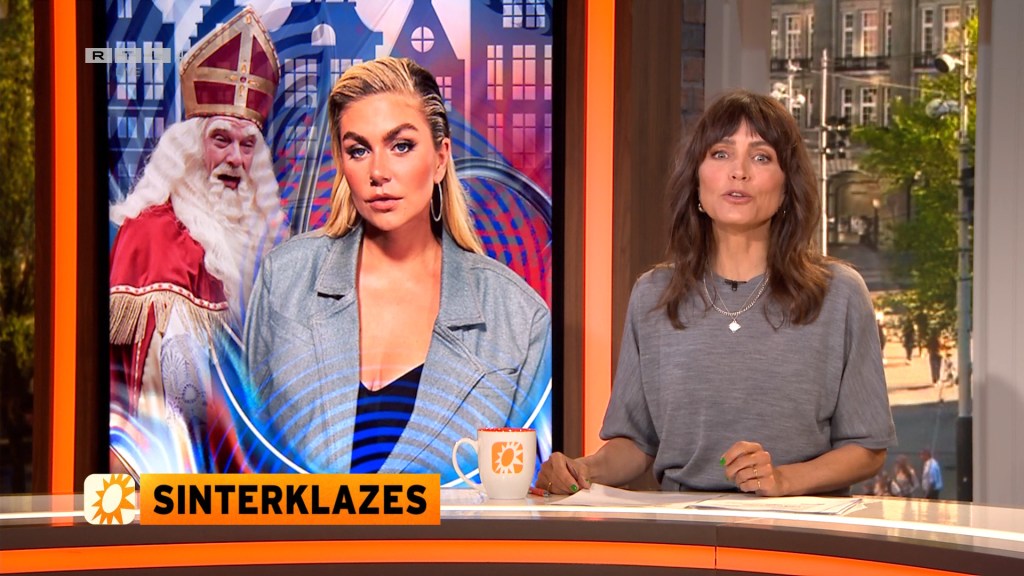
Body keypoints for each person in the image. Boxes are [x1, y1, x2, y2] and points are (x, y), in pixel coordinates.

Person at [537, 90, 895, 497]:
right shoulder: (653, 295)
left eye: (761, 157)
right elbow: (636, 443)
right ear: (697, 179)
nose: (738, 172)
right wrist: (583, 469)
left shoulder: (839, 294)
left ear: (786, 186)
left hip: (796, 528)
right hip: (683, 529)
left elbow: (867, 448)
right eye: (721, 154)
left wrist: (784, 479)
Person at [243, 57, 551, 481]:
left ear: (440, 159)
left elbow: (522, 494)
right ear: (342, 164)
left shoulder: (518, 318)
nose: (378, 172)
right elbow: (246, 461)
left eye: (401, 146)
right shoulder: (285, 278)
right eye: (358, 150)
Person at [109, 7, 286, 474]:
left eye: (247, 145)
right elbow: (179, 396)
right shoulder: (154, 236)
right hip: (171, 471)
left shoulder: (258, 245)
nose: (235, 159)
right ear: (188, 148)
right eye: (221, 140)